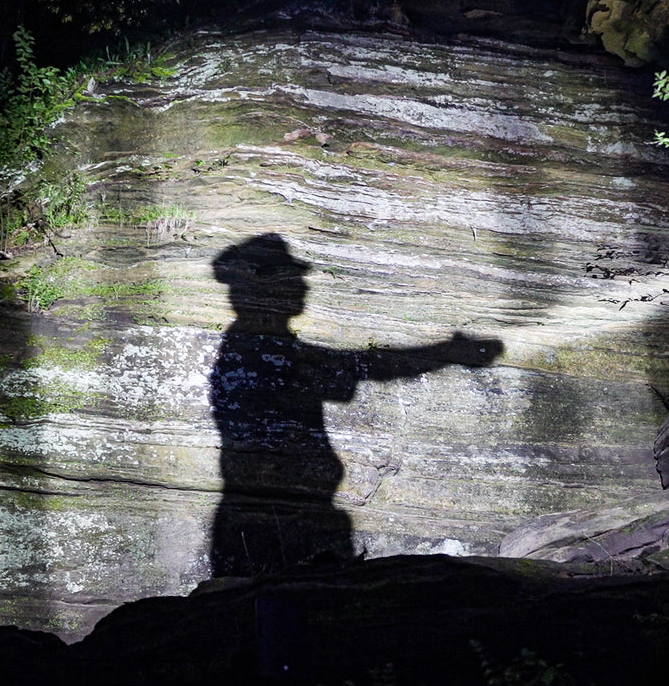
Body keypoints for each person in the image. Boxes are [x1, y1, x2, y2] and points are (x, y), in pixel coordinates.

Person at [208, 234, 502, 577]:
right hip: (270, 523)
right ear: (260, 287)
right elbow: (362, 366)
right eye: (292, 277)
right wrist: (446, 354)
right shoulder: (255, 351)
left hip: (289, 515)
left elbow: (355, 367)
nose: (302, 286)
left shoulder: (263, 346)